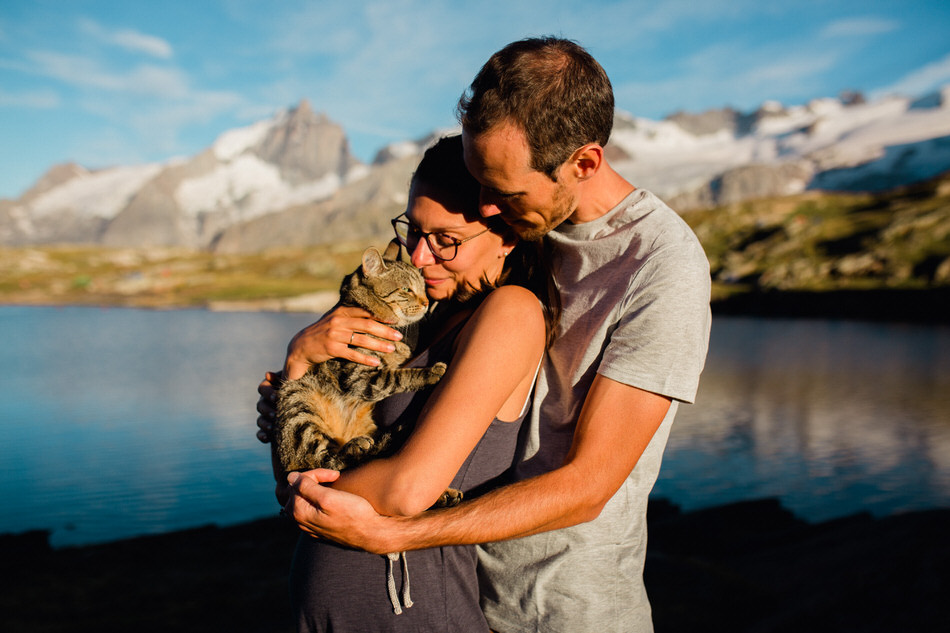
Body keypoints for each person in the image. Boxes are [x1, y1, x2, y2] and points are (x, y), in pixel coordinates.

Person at [273, 37, 711, 632]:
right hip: (472, 591)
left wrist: (397, 528)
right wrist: (305, 369)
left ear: (583, 164)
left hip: (564, 611)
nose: (483, 208)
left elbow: (588, 485)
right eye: (479, 181)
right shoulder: (518, 230)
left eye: (501, 191)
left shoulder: (661, 265)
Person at [258, 134, 556, 631]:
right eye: (412, 230)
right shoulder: (410, 310)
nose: (418, 256)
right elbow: (290, 464)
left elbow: (407, 490)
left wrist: (300, 497)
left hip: (415, 614)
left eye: (446, 240)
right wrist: (299, 357)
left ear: (505, 235)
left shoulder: (511, 312)